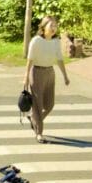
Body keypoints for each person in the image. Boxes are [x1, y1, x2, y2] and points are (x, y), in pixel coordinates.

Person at [23, 15, 70, 144]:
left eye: (55, 25)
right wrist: (26, 77)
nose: (54, 28)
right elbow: (30, 60)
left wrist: (65, 76)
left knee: (49, 105)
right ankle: (39, 133)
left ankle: (35, 120)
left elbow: (59, 59)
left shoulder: (56, 41)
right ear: (43, 27)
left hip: (50, 72)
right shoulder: (36, 41)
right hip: (36, 72)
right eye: (51, 25)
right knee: (37, 105)